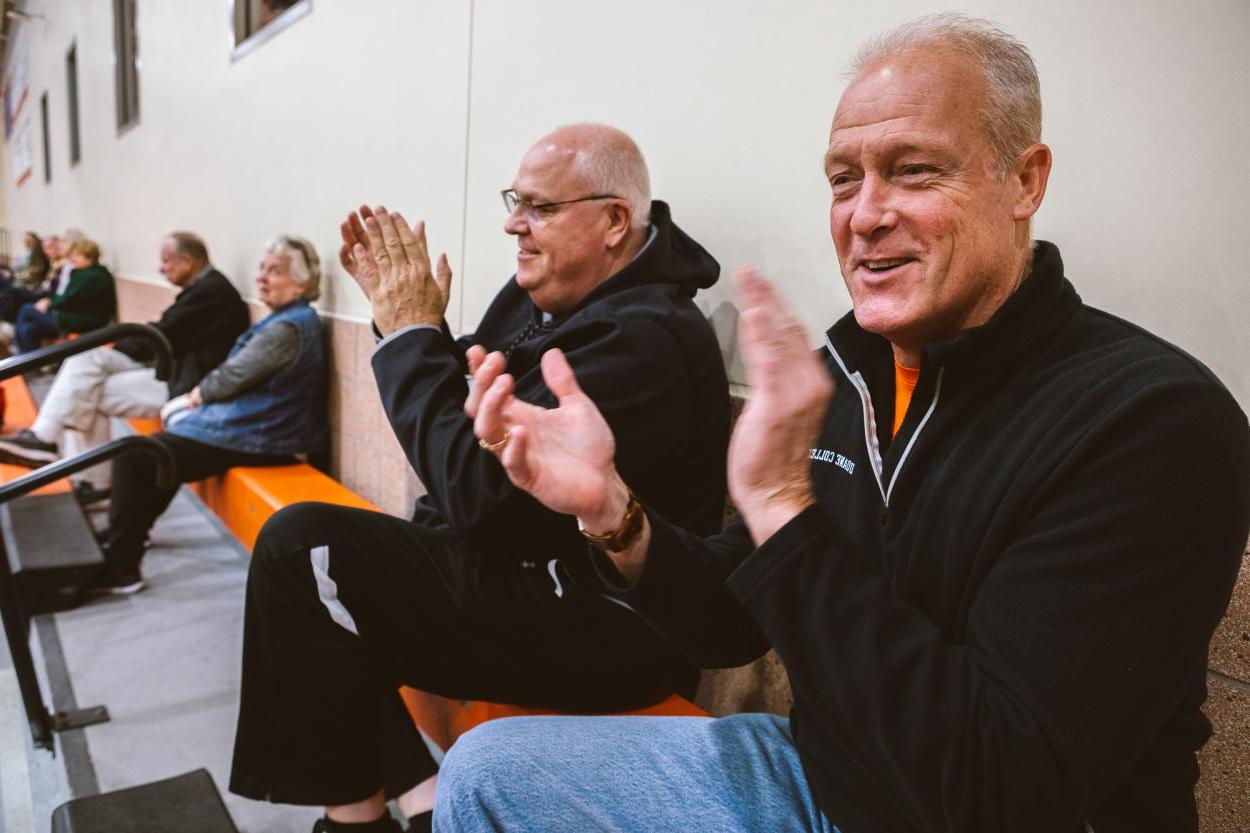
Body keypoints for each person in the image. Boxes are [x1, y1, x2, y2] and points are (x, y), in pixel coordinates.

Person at [447, 15, 1250, 833]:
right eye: (842, 179)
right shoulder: (847, 372)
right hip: (825, 772)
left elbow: (999, 791)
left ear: (1024, 181)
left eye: (913, 171)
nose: (865, 216)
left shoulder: (1151, 420)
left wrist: (786, 508)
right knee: (487, 774)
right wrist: (614, 514)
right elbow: (733, 619)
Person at [228, 123, 732, 833]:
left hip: (606, 629)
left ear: (614, 220)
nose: (512, 225)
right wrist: (412, 329)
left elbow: (481, 500)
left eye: (539, 208)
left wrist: (410, 337)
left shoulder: (645, 336)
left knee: (304, 549)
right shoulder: (554, 292)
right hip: (527, 575)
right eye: (514, 201)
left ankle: (357, 820)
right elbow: (474, 390)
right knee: (336, 575)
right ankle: (415, 790)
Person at [82, 235, 328, 595]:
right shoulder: (288, 320)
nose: (261, 277)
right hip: (255, 429)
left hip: (262, 437)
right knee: (158, 456)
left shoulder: (288, 327)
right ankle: (129, 535)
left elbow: (232, 375)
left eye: (274, 271)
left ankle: (122, 566)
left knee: (137, 455)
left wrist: (192, 400)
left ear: (302, 283)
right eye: (262, 268)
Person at [0, 233, 250, 501]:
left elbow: (166, 333)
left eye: (165, 261)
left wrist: (118, 344)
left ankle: (53, 445)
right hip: (173, 372)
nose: (161, 268)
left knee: (86, 374)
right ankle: (74, 465)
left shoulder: (213, 292)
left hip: (189, 387)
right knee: (85, 378)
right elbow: (165, 332)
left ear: (187, 261)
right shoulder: (205, 288)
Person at [14, 237, 116, 353]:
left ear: (89, 256)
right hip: (72, 316)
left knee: (26, 309)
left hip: (83, 321)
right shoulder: (83, 273)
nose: (73, 258)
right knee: (28, 330)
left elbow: (70, 299)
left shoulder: (93, 276)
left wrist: (49, 302)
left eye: (77, 255)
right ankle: (31, 367)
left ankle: (19, 361)